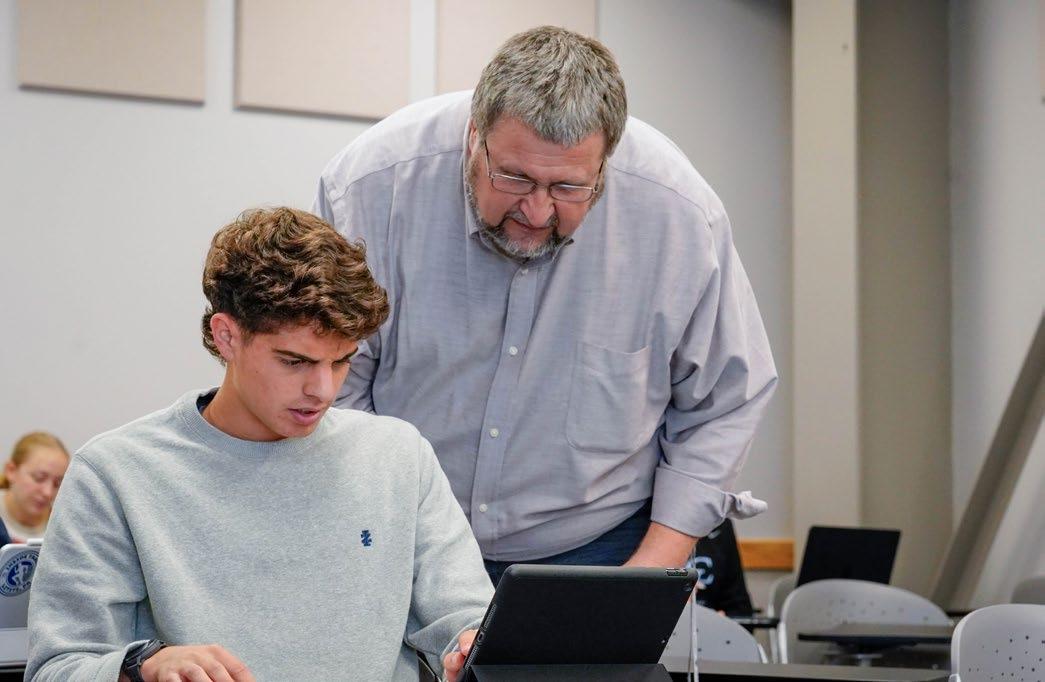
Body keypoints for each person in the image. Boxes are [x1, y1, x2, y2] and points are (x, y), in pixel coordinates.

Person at [315, 26, 778, 584]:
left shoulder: (679, 215)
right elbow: (333, 379)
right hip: (401, 527)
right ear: (474, 136)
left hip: (602, 544)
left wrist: (646, 574)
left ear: (605, 163)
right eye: (514, 177)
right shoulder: (370, 187)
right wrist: (385, 536)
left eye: (568, 188)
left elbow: (725, 401)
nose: (536, 212)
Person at [26, 208, 493, 682]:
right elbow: (58, 668)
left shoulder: (398, 456)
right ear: (226, 336)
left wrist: (472, 645)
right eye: (294, 361)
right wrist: (141, 666)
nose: (323, 390)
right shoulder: (115, 473)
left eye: (340, 362)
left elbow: (466, 620)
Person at [0, 431, 69, 541]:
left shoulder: (64, 531)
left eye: (57, 483)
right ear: (11, 470)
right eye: (39, 478)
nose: (48, 492)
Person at [688, 519, 754, 617]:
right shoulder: (664, 524)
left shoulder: (720, 524)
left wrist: (722, 619)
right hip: (671, 620)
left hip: (711, 620)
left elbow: (739, 607)